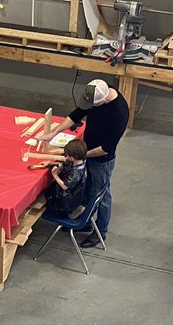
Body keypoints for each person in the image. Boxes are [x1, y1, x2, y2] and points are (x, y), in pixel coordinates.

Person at [39, 79, 129, 248]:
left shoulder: (119, 112)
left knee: (101, 195)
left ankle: (100, 231)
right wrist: (53, 133)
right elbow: (76, 115)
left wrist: (81, 156)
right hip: (86, 152)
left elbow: (107, 148)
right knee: (86, 189)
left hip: (101, 159)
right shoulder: (97, 94)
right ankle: (86, 221)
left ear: (102, 101)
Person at [41, 138, 89, 218]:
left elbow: (65, 186)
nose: (66, 157)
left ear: (72, 158)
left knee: (47, 192)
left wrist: (55, 175)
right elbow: (65, 164)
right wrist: (51, 164)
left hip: (67, 202)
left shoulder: (76, 173)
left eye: (67, 155)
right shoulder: (79, 161)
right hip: (75, 195)